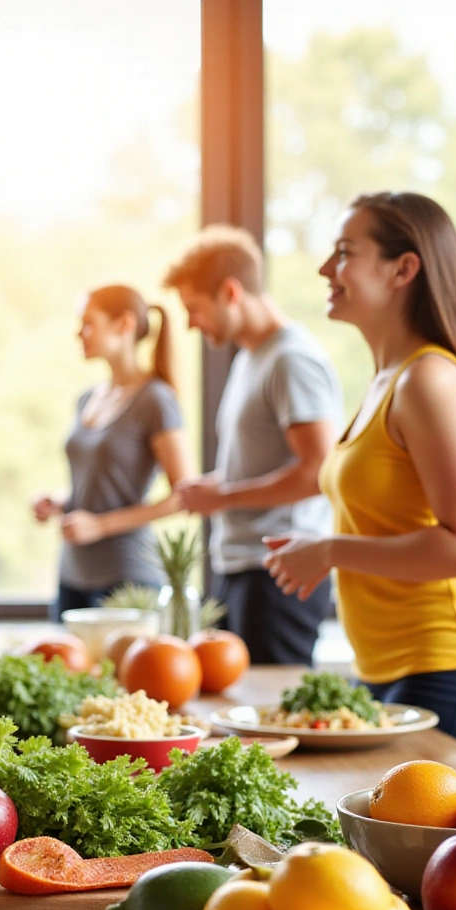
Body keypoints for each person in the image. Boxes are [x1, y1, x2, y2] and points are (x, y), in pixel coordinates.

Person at [264, 192, 456, 760]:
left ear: (403, 269)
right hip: (398, 666)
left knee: (442, 847)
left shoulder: (427, 381)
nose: (324, 269)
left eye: (344, 252)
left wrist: (329, 550)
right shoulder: (388, 381)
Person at [168, 226, 344, 665]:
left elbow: (318, 471)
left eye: (194, 308)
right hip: (242, 570)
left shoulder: (291, 359)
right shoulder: (251, 357)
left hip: (277, 577)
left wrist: (223, 496)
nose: (191, 323)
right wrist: (214, 487)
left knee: (269, 723)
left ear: (230, 291)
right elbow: (267, 463)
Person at [31, 285, 191, 616]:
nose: (79, 333)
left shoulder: (155, 400)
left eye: (89, 323)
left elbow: (183, 495)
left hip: (126, 577)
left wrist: (100, 526)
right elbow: (98, 483)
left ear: (124, 325)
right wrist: (60, 501)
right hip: (72, 574)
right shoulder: (87, 398)